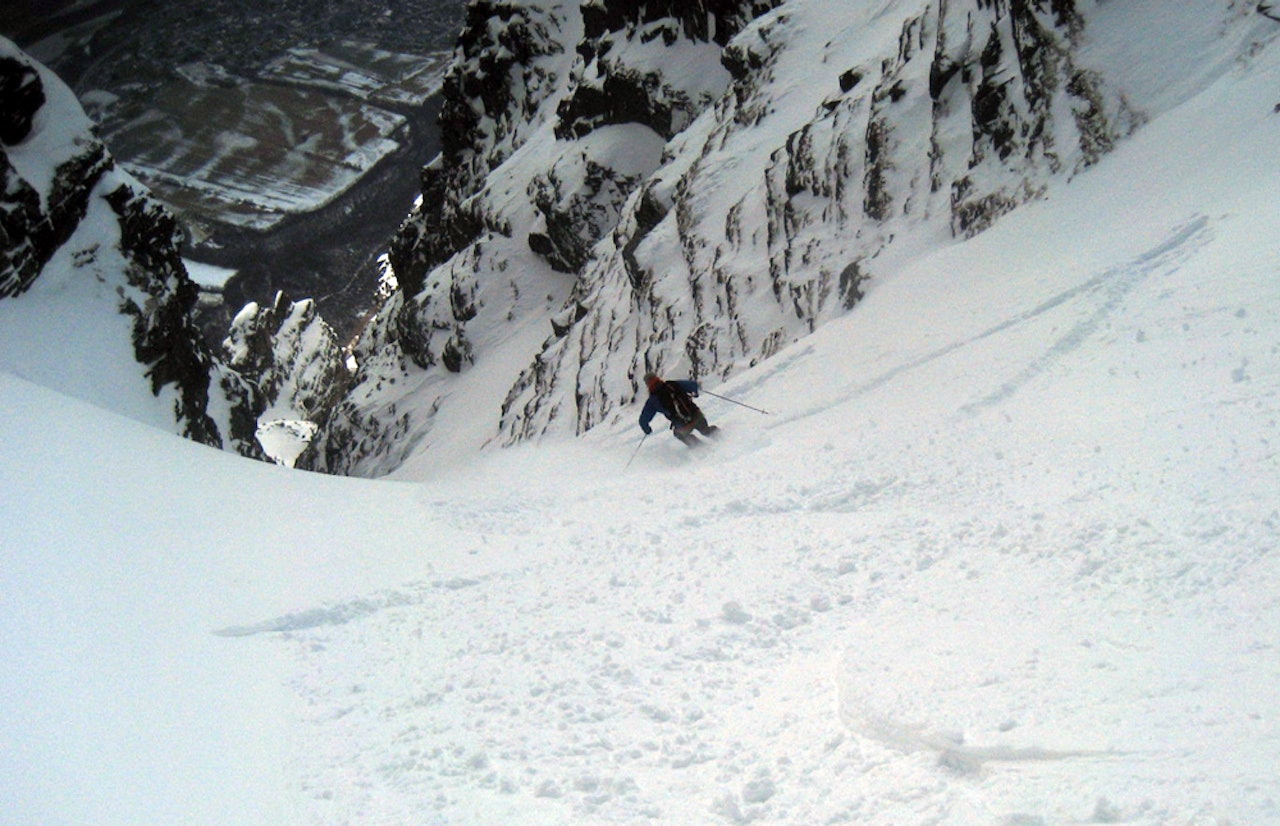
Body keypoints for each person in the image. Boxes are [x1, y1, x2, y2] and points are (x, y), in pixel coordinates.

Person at [639, 373, 720, 446]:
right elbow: (693, 385)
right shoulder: (673, 384)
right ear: (657, 378)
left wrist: (647, 429)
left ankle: (699, 448)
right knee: (706, 430)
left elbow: (643, 420)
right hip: (696, 415)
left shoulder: (653, 400)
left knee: (679, 434)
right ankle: (723, 438)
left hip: (682, 424)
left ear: (647, 384)